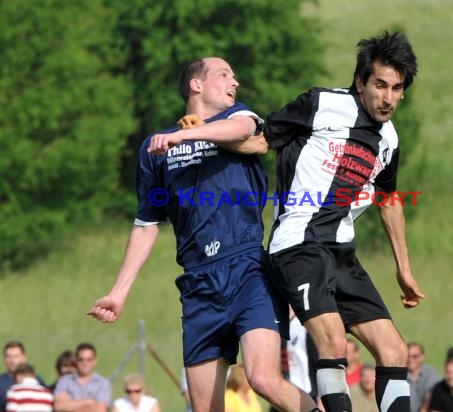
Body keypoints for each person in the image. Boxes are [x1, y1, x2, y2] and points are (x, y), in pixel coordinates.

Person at [87, 57, 317, 412]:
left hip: (248, 269)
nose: (234, 82)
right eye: (225, 74)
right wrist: (119, 293)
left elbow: (241, 131)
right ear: (196, 84)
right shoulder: (156, 149)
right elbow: (146, 224)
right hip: (198, 284)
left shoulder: (238, 118)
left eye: (234, 75)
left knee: (263, 379)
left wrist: (184, 135)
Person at [262, 30, 425, 412]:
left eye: (397, 88)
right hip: (298, 246)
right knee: (334, 343)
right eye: (380, 85)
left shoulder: (389, 140)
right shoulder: (321, 104)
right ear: (360, 82)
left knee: (395, 350)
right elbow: (260, 138)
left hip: (341, 254)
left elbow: (388, 200)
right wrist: (203, 132)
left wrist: (405, 270)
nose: (388, 98)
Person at [54, 342, 112, 412]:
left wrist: (70, 405)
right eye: (81, 360)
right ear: (76, 360)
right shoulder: (64, 381)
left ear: (95, 361)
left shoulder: (103, 383)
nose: (85, 363)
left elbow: (100, 409)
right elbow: (59, 406)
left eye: (89, 360)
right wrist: (87, 402)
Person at [0, 341, 44, 412]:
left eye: (16, 356)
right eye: (8, 356)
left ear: (24, 357)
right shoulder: (1, 383)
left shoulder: (38, 381)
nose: (12, 361)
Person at [407, 342, 439, 412]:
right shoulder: (400, 376)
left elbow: (432, 394)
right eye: (408, 356)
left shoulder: (430, 373)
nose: (410, 359)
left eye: (414, 356)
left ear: (422, 357)